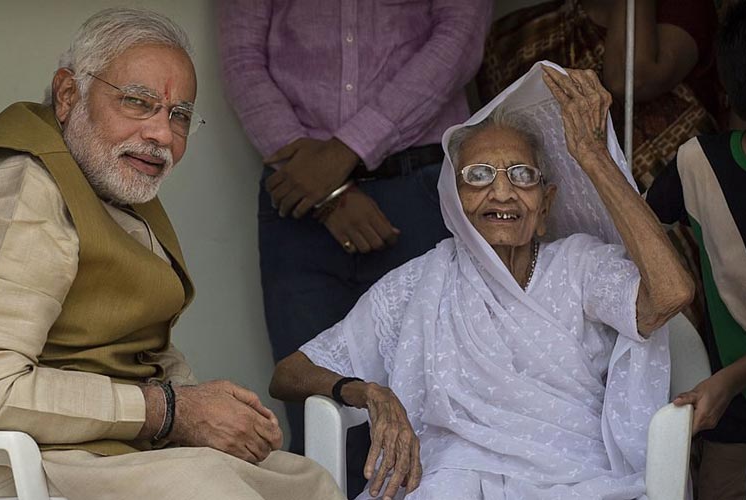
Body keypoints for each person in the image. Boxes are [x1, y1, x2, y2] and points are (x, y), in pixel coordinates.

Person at [0, 8, 343, 500]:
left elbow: (128, 345)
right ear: (68, 95)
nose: (162, 135)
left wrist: (213, 410)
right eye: (137, 102)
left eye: (180, 115)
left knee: (303, 482)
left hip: (69, 446)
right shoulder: (21, 190)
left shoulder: (110, 181)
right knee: (210, 491)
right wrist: (173, 410)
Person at [271, 62, 694, 499]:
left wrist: (593, 156)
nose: (502, 192)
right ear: (453, 202)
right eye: (478, 176)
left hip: (573, 481)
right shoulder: (422, 282)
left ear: (545, 206)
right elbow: (290, 373)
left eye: (522, 175)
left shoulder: (579, 265)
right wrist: (367, 392)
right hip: (449, 481)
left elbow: (670, 294)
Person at [217, 2, 492, 496]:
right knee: (315, 407)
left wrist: (343, 155)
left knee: (436, 399)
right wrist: (324, 190)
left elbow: (458, 38)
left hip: (417, 188)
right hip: (295, 197)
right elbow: (242, 59)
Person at [477, 0, 723, 336]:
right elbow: (497, 140)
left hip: (667, 204)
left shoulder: (682, 9)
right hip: (568, 216)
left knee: (676, 326)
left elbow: (631, 77)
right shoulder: (514, 36)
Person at [649, 3, 746, 498]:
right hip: (734, 433)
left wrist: (730, 379)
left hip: (726, 402)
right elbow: (634, 231)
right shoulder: (699, 165)